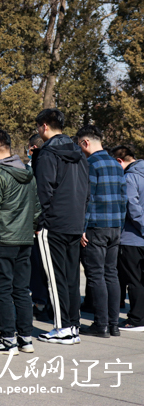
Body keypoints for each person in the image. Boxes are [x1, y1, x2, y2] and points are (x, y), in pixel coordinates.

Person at [0, 130, 41, 355]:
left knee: (2, 290)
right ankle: (25, 338)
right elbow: (36, 205)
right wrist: (33, 228)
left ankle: (7, 339)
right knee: (22, 290)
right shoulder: (27, 170)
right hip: (25, 239)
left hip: (2, 239)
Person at [33, 109, 89, 345]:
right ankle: (72, 326)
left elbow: (44, 190)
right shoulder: (79, 152)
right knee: (71, 277)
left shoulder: (48, 152)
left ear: (44, 126)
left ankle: (62, 327)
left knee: (55, 278)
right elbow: (86, 189)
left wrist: (39, 221)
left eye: (38, 127)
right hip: (75, 222)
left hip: (54, 222)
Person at [76, 125, 126, 338]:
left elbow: (88, 198)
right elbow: (123, 198)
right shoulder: (116, 165)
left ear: (86, 142)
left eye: (80, 145)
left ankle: (101, 324)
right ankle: (113, 325)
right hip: (115, 226)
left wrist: (82, 228)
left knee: (96, 275)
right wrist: (120, 226)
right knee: (111, 274)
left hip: (96, 226)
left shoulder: (90, 164)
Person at [112, 145, 144, 331]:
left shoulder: (129, 177)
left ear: (120, 161)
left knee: (134, 280)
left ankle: (136, 319)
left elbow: (133, 207)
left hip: (132, 237)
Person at [26, 134, 52, 323]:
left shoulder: (37, 166)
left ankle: (40, 303)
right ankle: (46, 303)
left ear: (33, 148)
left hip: (40, 226)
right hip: (57, 225)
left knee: (38, 267)